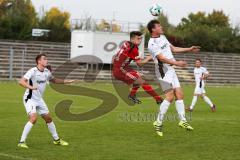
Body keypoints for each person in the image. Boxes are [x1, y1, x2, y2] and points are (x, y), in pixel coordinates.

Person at [147, 20, 200, 137]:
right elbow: (162, 59)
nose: (161, 27)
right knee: (170, 97)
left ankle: (182, 121)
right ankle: (158, 122)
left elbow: (174, 49)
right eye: (159, 26)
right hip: (163, 72)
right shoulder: (152, 44)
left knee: (180, 95)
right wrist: (177, 63)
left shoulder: (163, 37)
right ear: (153, 29)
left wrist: (189, 49)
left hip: (171, 69)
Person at [18, 54, 74, 149]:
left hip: (39, 99)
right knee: (33, 118)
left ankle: (56, 140)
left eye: (46, 59)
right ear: (39, 61)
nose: (46, 60)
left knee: (48, 119)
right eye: (44, 59)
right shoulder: (33, 71)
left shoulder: (47, 71)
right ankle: (21, 142)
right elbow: (21, 81)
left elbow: (54, 80)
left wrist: (66, 81)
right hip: (30, 98)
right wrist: (31, 87)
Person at [112, 31, 163, 104]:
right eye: (138, 39)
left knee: (141, 77)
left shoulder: (127, 43)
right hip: (120, 71)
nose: (140, 40)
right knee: (142, 82)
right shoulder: (134, 48)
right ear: (132, 39)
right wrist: (149, 58)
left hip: (122, 68)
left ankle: (132, 95)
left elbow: (121, 56)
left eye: (141, 38)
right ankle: (158, 99)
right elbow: (139, 64)